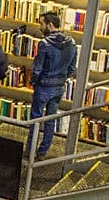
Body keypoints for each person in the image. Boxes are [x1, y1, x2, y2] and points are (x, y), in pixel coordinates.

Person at [29, 11, 77, 159]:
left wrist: (33, 81)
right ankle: (43, 151)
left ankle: (30, 151)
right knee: (51, 119)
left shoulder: (44, 44)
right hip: (59, 87)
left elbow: (38, 67)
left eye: (41, 24)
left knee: (36, 120)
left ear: (50, 25)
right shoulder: (72, 43)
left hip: (44, 86)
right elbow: (72, 68)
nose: (40, 27)